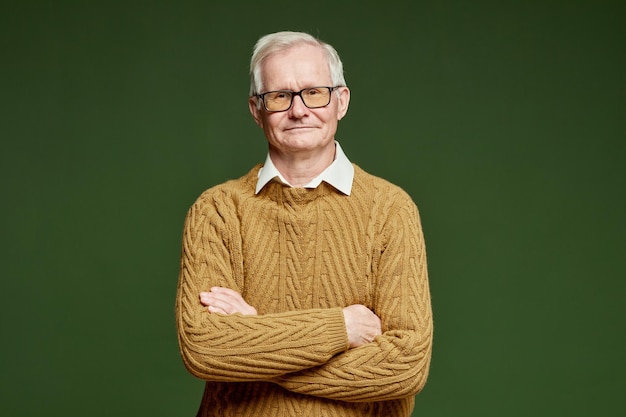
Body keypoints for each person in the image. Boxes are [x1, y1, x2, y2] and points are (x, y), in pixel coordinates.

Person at [175, 30, 433, 417]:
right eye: (279, 96)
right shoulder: (217, 210)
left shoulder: (391, 209)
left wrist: (256, 336)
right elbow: (203, 347)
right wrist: (340, 329)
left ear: (341, 101)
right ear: (255, 109)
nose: (298, 110)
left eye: (315, 92)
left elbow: (405, 365)